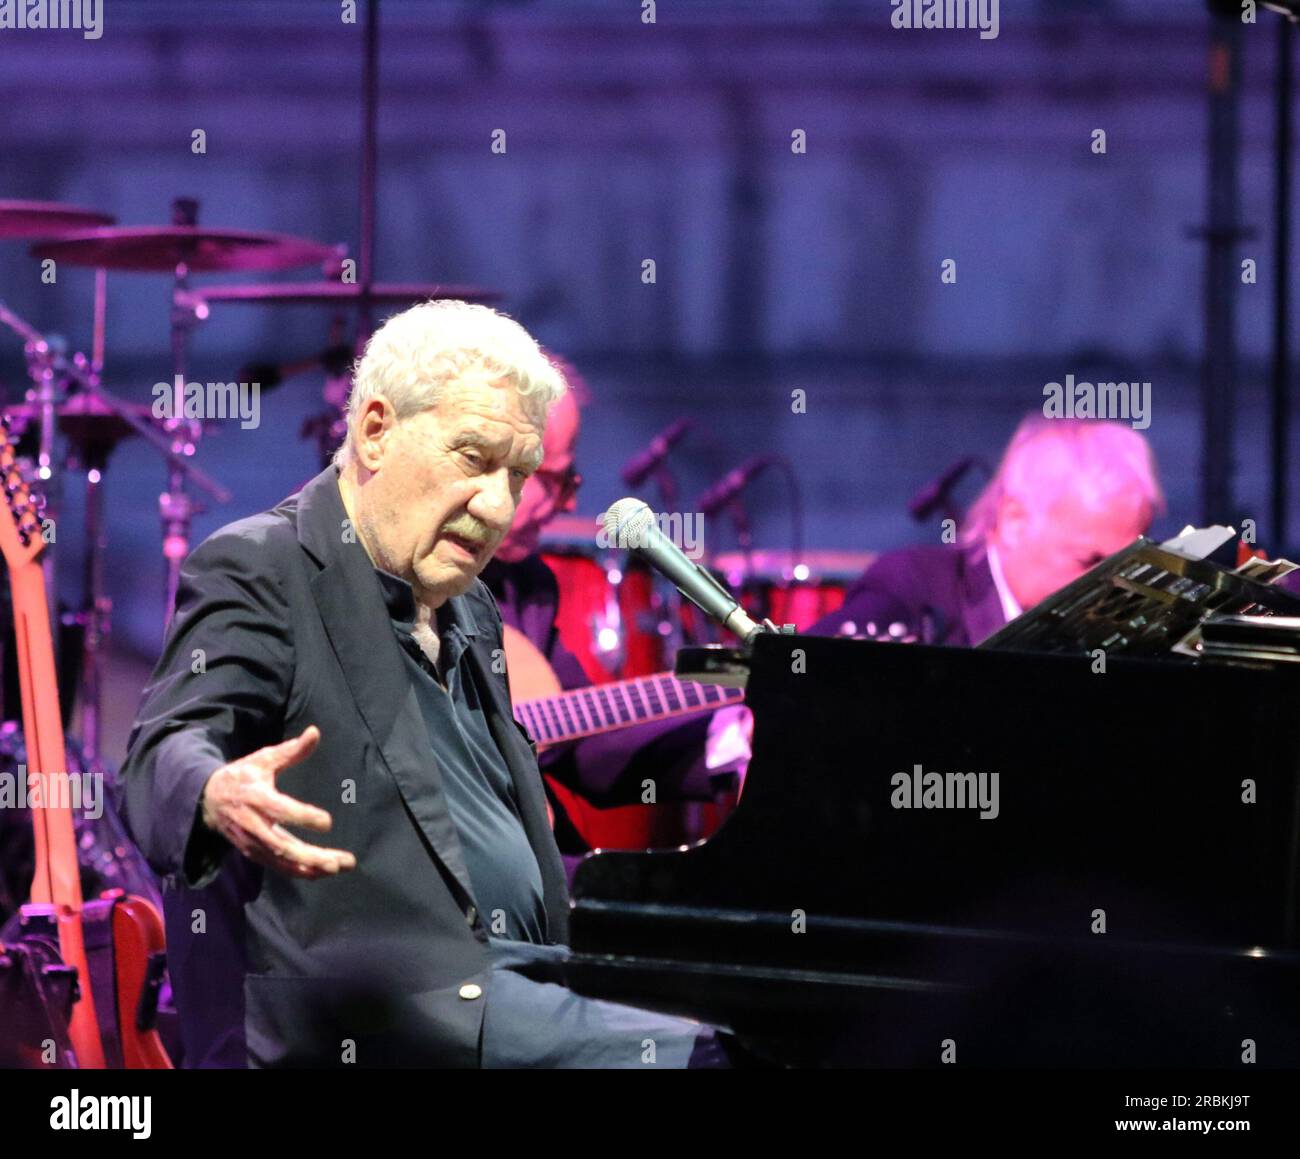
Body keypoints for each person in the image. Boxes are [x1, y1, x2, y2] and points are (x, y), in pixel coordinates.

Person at [120, 300, 729, 1068]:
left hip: (517, 991)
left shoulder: (469, 601)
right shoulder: (263, 567)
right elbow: (157, 756)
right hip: (373, 1021)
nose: (501, 506)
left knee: (776, 1029)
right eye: (475, 460)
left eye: (520, 474)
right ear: (375, 429)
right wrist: (213, 793)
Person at [809, 415, 1165, 644]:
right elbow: (800, 671)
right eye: (1090, 562)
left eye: (1124, 570)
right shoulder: (912, 589)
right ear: (1014, 521)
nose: (1111, 592)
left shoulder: (1121, 632)